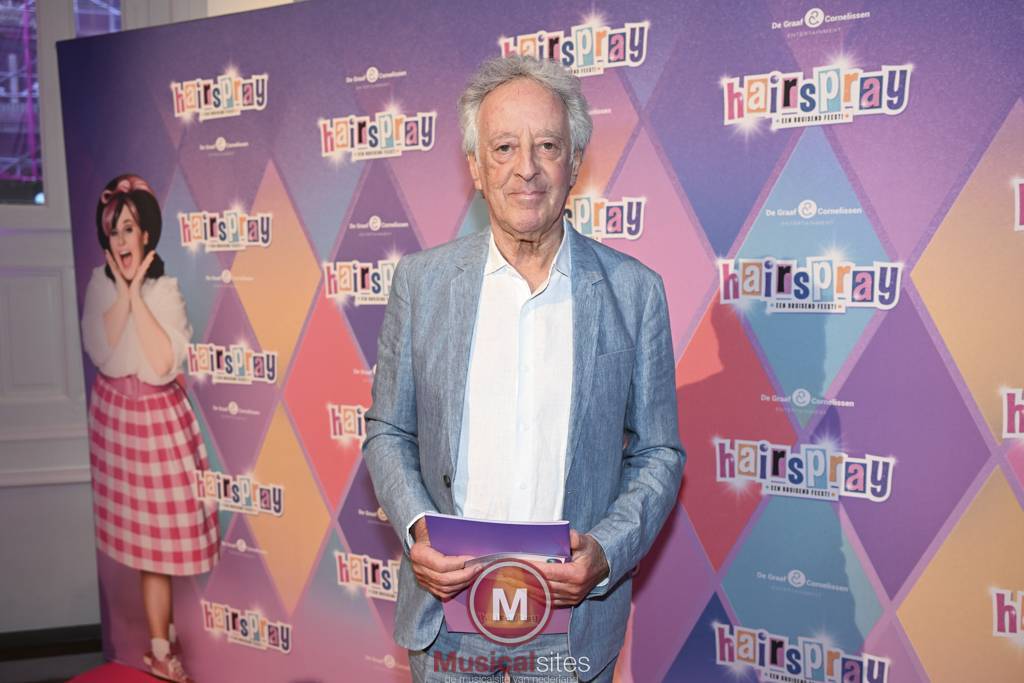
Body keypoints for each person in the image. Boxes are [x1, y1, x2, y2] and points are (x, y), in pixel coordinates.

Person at [363, 56, 684, 682]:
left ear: (575, 163)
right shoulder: (422, 283)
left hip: (571, 624)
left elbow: (659, 453)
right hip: (448, 616)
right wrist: (418, 527)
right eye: (504, 147)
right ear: (476, 168)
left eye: (548, 146)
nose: (527, 168)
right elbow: (389, 431)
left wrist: (606, 551)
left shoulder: (634, 292)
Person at [81, 174, 218, 683]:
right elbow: (101, 349)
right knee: (145, 551)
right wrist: (123, 290)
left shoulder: (167, 290)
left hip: (159, 418)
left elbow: (162, 364)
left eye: (129, 229)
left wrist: (138, 292)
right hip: (115, 419)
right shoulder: (99, 287)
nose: (120, 240)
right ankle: (161, 647)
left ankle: (163, 643)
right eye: (113, 230)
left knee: (160, 547)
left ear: (145, 235)